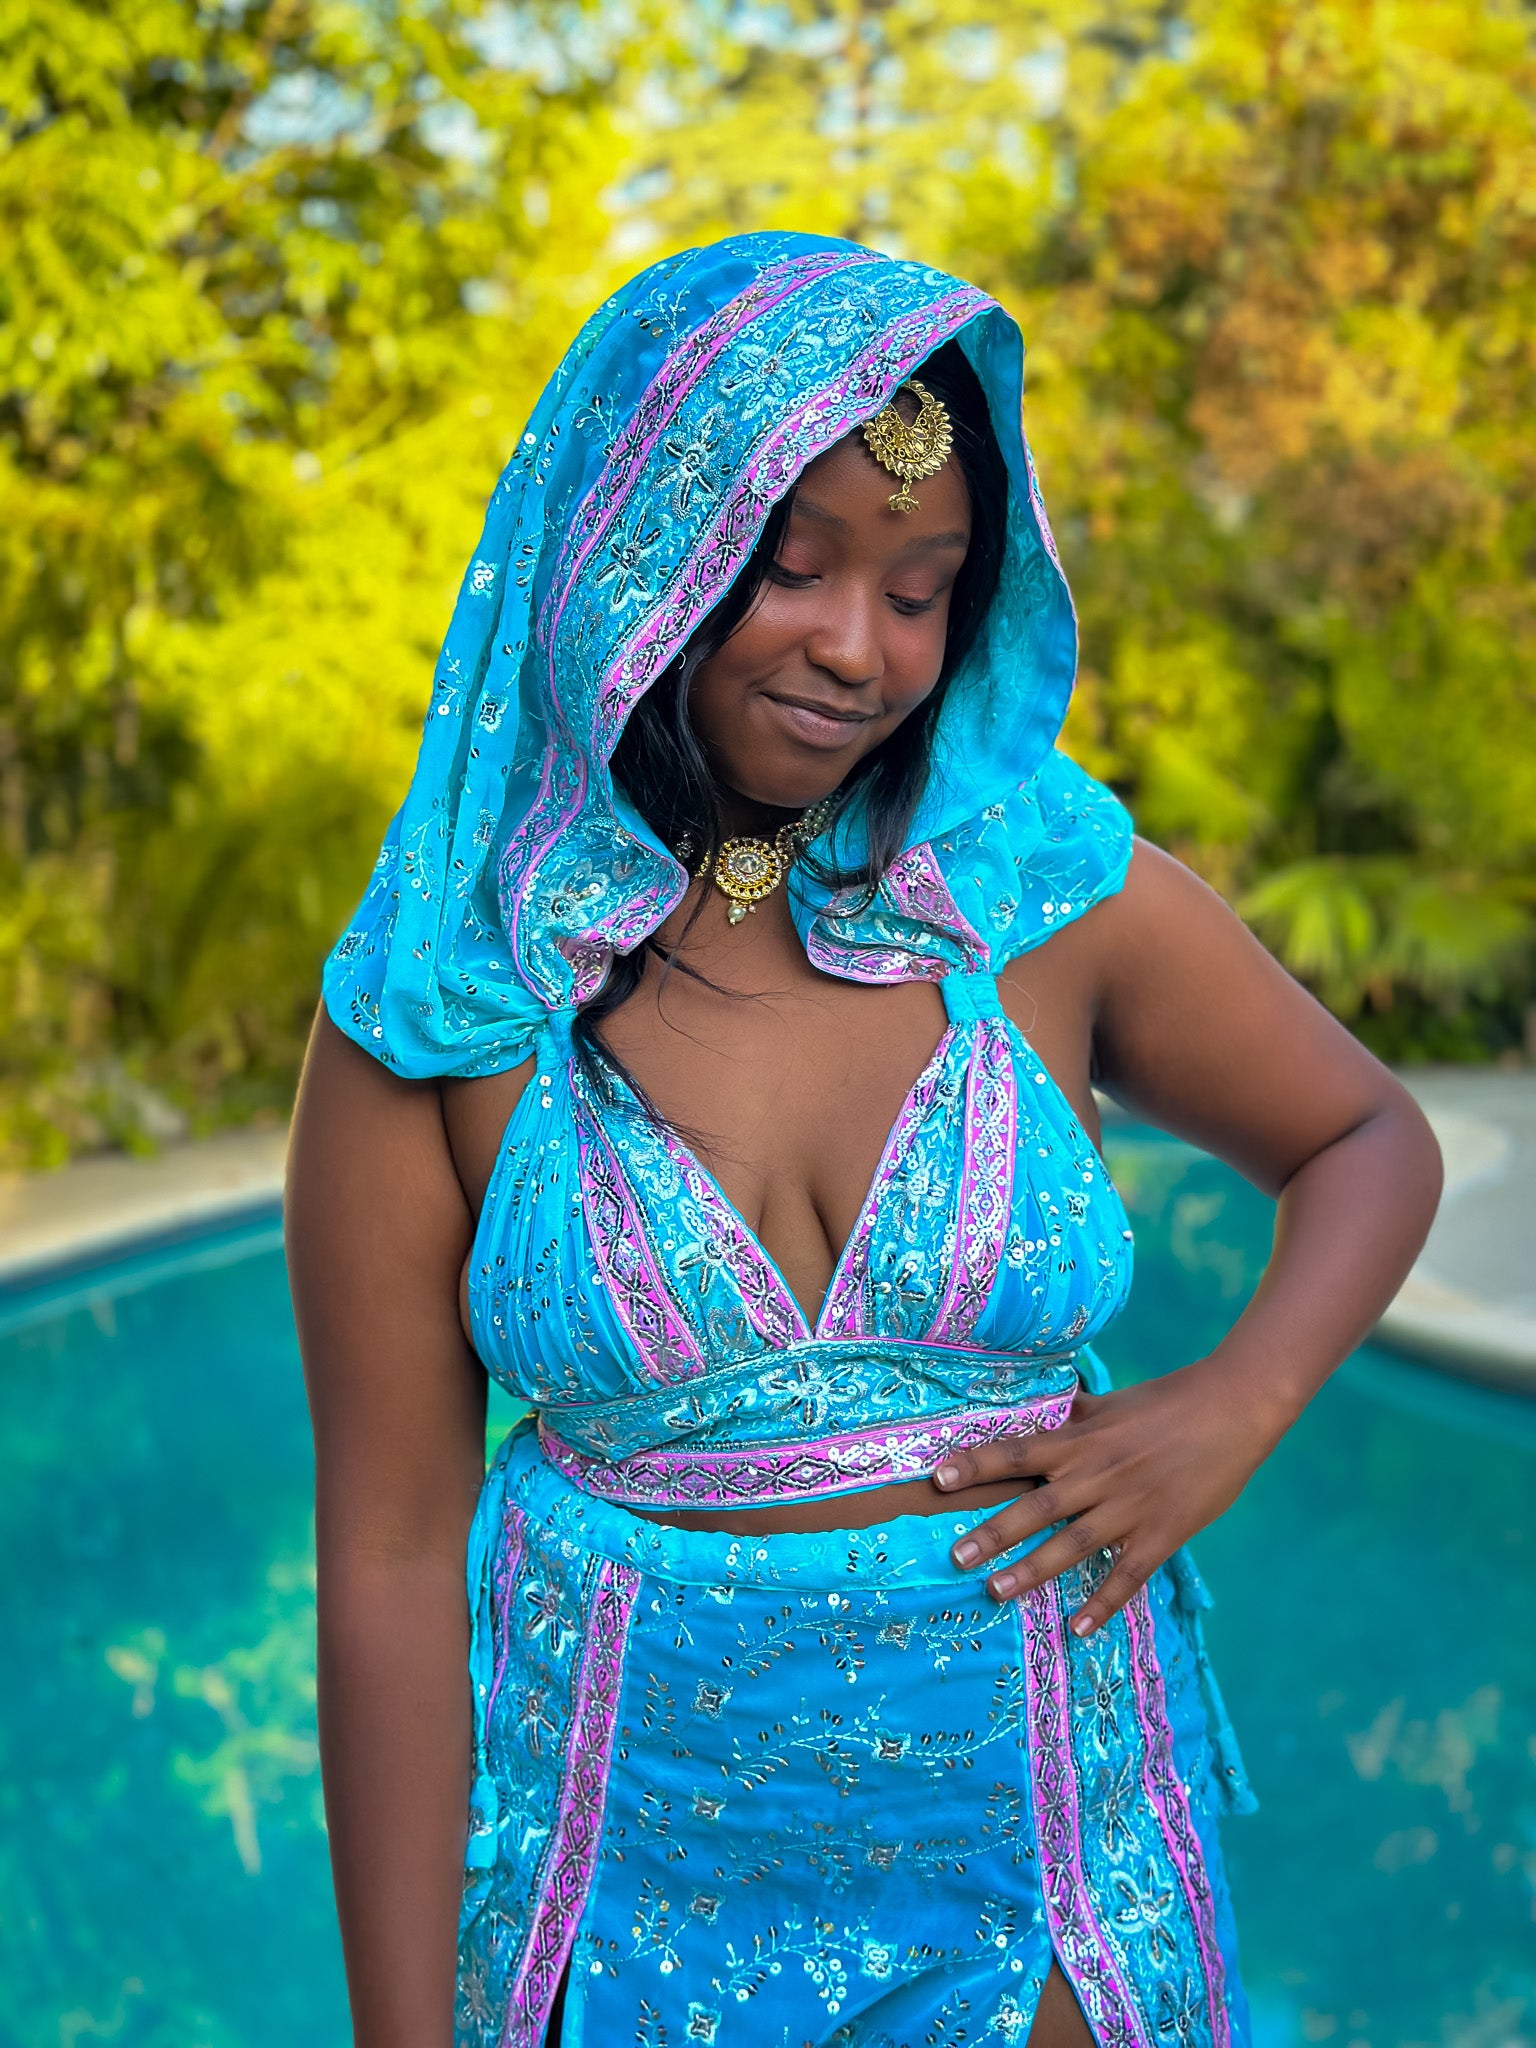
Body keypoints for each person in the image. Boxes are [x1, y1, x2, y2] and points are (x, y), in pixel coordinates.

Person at [286, 233, 1441, 2048]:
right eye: (793, 566)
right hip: (620, 1881)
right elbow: (389, 1558)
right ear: (637, 547)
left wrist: (1235, 1406)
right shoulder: (449, 1000)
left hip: (1049, 1861)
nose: (860, 649)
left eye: (923, 590)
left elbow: (1367, 1134)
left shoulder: (1036, 897)